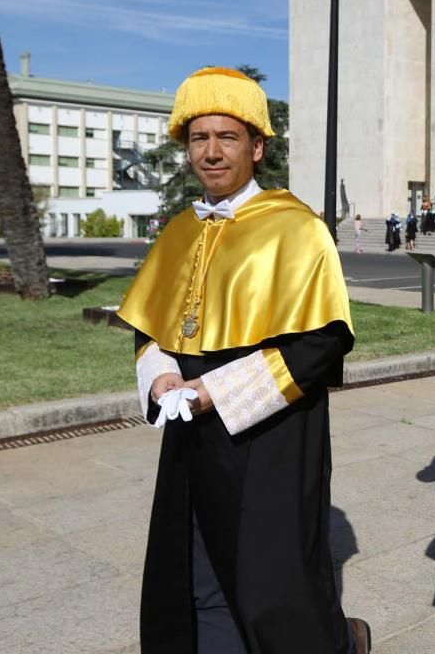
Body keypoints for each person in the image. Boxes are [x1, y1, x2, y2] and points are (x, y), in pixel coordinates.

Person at [116, 67, 370, 654]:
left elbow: (320, 343)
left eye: (226, 137)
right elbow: (149, 326)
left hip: (273, 434)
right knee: (195, 560)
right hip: (189, 427)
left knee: (272, 576)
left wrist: (215, 394)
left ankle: (338, 643)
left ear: (256, 147)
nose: (211, 152)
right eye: (198, 138)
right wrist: (160, 379)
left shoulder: (297, 228)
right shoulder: (179, 230)